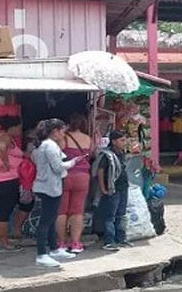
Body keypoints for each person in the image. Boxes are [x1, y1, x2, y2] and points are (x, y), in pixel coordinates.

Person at [32, 118, 81, 268]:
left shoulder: (44, 145)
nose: (64, 134)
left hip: (47, 186)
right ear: (55, 132)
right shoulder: (50, 146)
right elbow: (58, 167)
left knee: (51, 219)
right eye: (62, 131)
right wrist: (74, 162)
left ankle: (54, 249)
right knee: (46, 222)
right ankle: (41, 254)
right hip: (49, 188)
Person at [56, 114, 95, 254]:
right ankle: (75, 243)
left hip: (65, 176)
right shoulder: (89, 139)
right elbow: (92, 154)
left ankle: (61, 243)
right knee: (77, 211)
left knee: (61, 211)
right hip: (83, 177)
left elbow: (57, 154)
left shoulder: (64, 138)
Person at [0, 115, 25, 253]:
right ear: (12, 128)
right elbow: (1, 146)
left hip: (2, 180)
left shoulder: (0, 137)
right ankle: (4, 244)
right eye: (18, 128)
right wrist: (5, 162)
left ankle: (7, 239)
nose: (20, 130)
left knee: (11, 207)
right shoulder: (5, 138)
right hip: (6, 180)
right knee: (4, 212)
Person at [95, 130, 133, 251]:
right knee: (110, 216)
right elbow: (100, 171)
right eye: (122, 140)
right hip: (112, 188)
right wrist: (103, 188)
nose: (124, 142)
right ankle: (109, 241)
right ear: (114, 141)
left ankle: (121, 239)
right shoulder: (107, 155)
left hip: (123, 187)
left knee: (121, 214)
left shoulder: (121, 153)